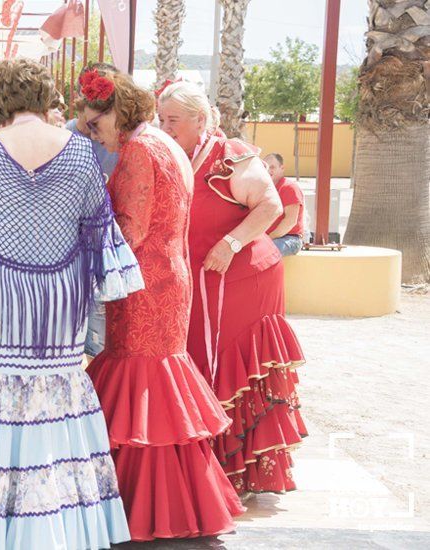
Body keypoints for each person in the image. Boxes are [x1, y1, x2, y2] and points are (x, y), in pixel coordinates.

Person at [0, 58, 136, 550]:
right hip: (61, 302)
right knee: (58, 395)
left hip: (0, 300)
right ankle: (61, 524)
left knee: (0, 396)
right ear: (44, 96)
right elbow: (101, 238)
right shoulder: (81, 153)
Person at [81, 69, 243, 541]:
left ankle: (143, 506)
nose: (96, 136)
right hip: (169, 278)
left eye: (96, 125)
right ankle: (177, 502)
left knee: (142, 385)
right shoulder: (166, 143)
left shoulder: (137, 151)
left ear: (118, 114)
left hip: (144, 285)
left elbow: (129, 231)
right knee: (155, 383)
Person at [158, 82, 307, 498]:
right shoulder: (172, 154)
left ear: (200, 121)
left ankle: (235, 470)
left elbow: (271, 206)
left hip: (242, 279)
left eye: (173, 120)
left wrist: (231, 243)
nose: (164, 127)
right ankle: (208, 467)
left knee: (229, 366)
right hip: (203, 281)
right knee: (201, 362)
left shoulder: (230, 158)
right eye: (162, 119)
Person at [65, 63, 121, 361]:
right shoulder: (64, 138)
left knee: (102, 347)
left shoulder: (124, 143)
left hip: (108, 255)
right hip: (71, 260)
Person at [265, 153, 306, 256]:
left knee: (265, 252)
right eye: (265, 166)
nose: (268, 170)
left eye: (272, 167)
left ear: (282, 168)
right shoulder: (265, 189)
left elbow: (290, 221)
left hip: (290, 238)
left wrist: (268, 238)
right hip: (269, 237)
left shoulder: (289, 188)